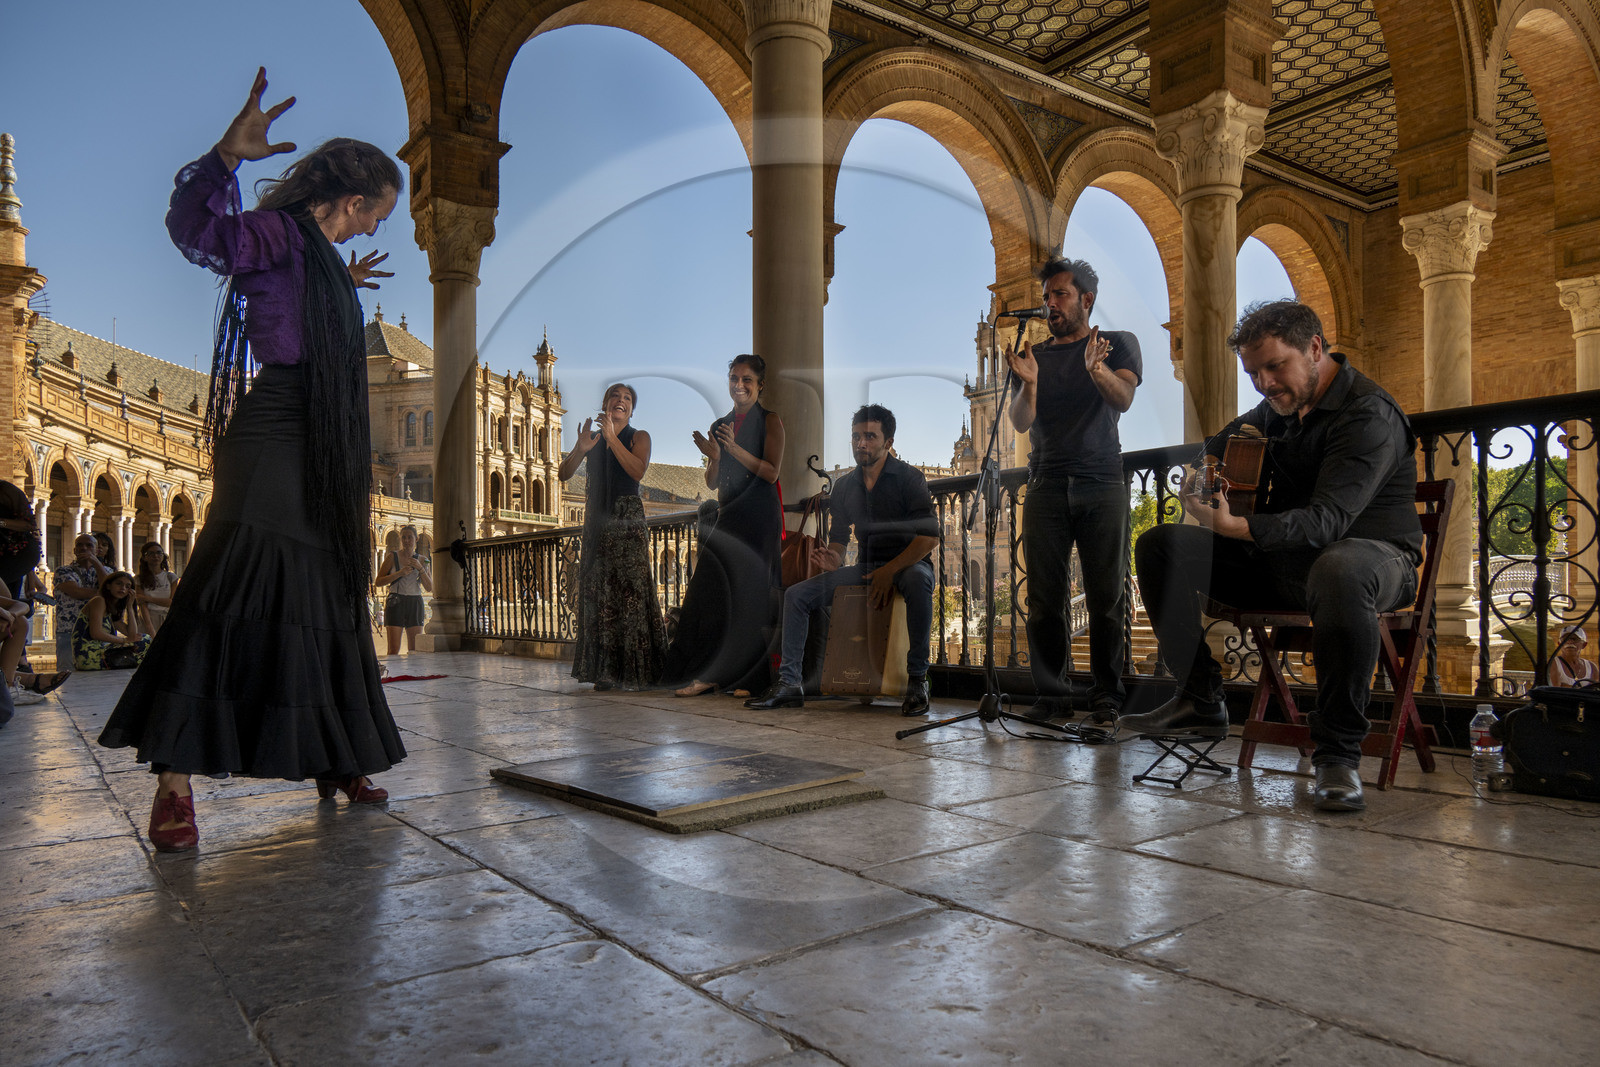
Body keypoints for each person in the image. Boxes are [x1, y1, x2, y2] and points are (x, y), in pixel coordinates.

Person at [97, 68, 407, 853]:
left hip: (324, 449)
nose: (375, 230)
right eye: (377, 214)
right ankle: (174, 780)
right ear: (354, 196)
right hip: (273, 434)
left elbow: (304, 310)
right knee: (231, 588)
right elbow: (198, 231)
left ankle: (337, 755)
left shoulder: (323, 258)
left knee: (326, 596)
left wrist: (343, 283)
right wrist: (224, 159)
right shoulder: (276, 232)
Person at [1120, 300, 1422, 813]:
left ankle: (1338, 755)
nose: (1264, 383)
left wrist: (1236, 524)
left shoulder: (1368, 413)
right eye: (1253, 372)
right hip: (1289, 565)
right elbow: (1218, 442)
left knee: (1340, 565)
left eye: (1274, 366)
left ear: (1315, 349)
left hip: (1374, 563)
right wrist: (1205, 475)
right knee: (1158, 545)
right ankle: (1200, 699)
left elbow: (1328, 522)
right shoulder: (1279, 407)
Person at [1005, 257, 1141, 723]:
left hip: (1101, 481)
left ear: (1086, 299)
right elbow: (1021, 421)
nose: (1049, 304)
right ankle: (1053, 696)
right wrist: (1030, 385)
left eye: (1059, 294)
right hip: (1044, 484)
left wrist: (1095, 370)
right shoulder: (1035, 356)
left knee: (1106, 598)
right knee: (1044, 599)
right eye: (1046, 297)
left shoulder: (1117, 345)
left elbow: (1122, 397)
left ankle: (1106, 698)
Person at [745, 405, 939, 713]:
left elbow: (929, 539)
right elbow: (838, 537)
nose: (861, 444)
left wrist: (890, 571)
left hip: (908, 565)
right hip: (865, 568)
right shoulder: (847, 486)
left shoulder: (909, 478)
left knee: (917, 580)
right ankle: (790, 684)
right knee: (796, 595)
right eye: (856, 437)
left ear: (888, 442)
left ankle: (917, 680)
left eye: (870, 437)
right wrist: (833, 557)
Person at [664, 355, 785, 697]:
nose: (739, 385)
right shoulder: (720, 423)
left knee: (750, 598)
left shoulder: (771, 420)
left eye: (747, 379)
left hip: (760, 516)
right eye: (734, 378)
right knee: (708, 591)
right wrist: (716, 457)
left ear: (760, 385)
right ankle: (706, 673)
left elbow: (771, 472)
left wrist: (733, 448)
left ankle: (751, 678)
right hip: (729, 512)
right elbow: (714, 482)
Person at [558, 382, 666, 688]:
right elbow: (563, 474)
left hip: (626, 520)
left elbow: (637, 471)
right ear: (605, 404)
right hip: (596, 521)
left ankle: (637, 671)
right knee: (598, 593)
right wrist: (581, 448)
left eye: (627, 398)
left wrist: (611, 439)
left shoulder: (638, 437)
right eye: (615, 396)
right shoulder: (591, 439)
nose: (621, 401)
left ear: (631, 409)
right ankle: (605, 671)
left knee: (630, 593)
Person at [53, 533, 110, 671]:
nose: (84, 548)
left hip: (100, 631)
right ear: (74, 551)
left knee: (99, 673)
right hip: (69, 630)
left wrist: (96, 562)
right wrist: (103, 594)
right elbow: (76, 592)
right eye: (80, 545)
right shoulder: (63, 571)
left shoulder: (107, 571)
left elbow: (109, 587)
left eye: (89, 545)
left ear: (97, 550)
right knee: (67, 672)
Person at [72, 572, 151, 670]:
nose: (123, 588)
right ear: (108, 586)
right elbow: (96, 633)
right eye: (119, 584)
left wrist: (130, 607)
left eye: (127, 586)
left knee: (144, 638)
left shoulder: (111, 609)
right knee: (145, 640)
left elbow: (132, 635)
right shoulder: (98, 601)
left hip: (101, 654)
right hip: (89, 655)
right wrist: (124, 641)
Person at [375, 524, 432, 654]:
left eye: (410, 537)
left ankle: (412, 674)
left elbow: (429, 588)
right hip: (396, 601)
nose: (406, 541)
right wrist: (399, 573)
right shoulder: (392, 557)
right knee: (393, 649)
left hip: (415, 602)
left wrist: (420, 568)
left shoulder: (423, 560)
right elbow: (378, 582)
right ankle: (394, 674)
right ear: (401, 539)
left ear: (416, 539)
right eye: (404, 537)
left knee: (414, 649)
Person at [134, 541, 179, 635]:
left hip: (167, 617)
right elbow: (142, 604)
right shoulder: (139, 579)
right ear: (145, 557)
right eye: (151, 553)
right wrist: (149, 627)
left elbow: (171, 602)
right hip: (147, 618)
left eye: (159, 553)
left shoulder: (171, 577)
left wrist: (147, 598)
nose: (156, 556)